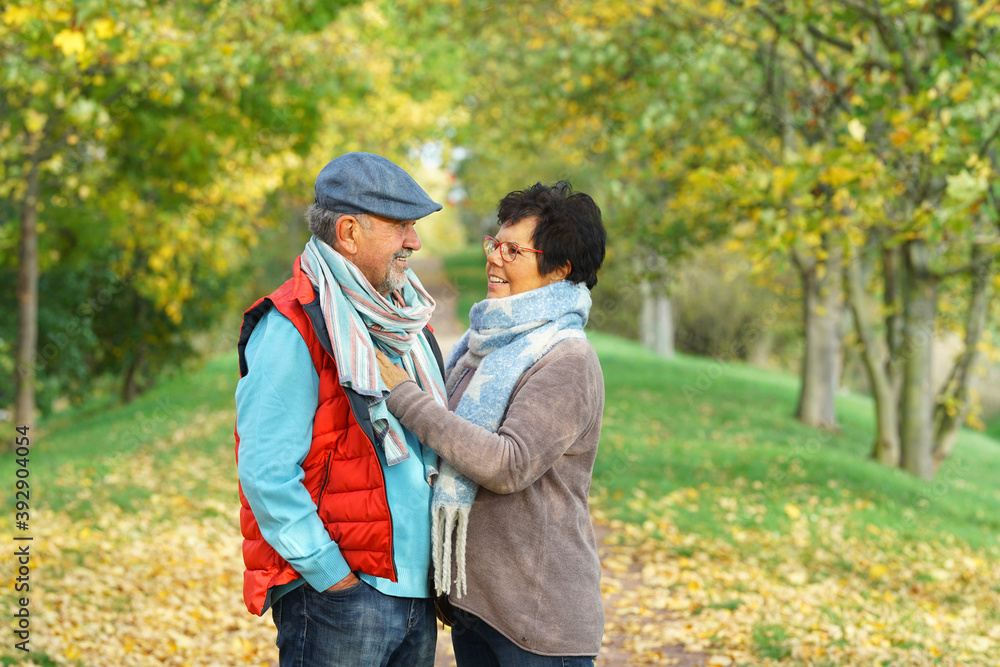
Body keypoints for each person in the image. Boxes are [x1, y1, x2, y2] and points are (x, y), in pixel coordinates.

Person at [376, 181, 607, 665]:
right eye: (494, 244)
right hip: (480, 609)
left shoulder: (566, 358)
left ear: (560, 269)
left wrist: (404, 396)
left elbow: (508, 463)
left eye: (513, 250)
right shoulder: (485, 344)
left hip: (539, 624)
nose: (494, 258)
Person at [234, 152, 449, 666]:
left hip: (415, 591)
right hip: (342, 597)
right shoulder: (293, 324)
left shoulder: (405, 320)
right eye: (402, 226)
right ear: (349, 232)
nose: (414, 242)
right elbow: (266, 473)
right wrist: (332, 577)